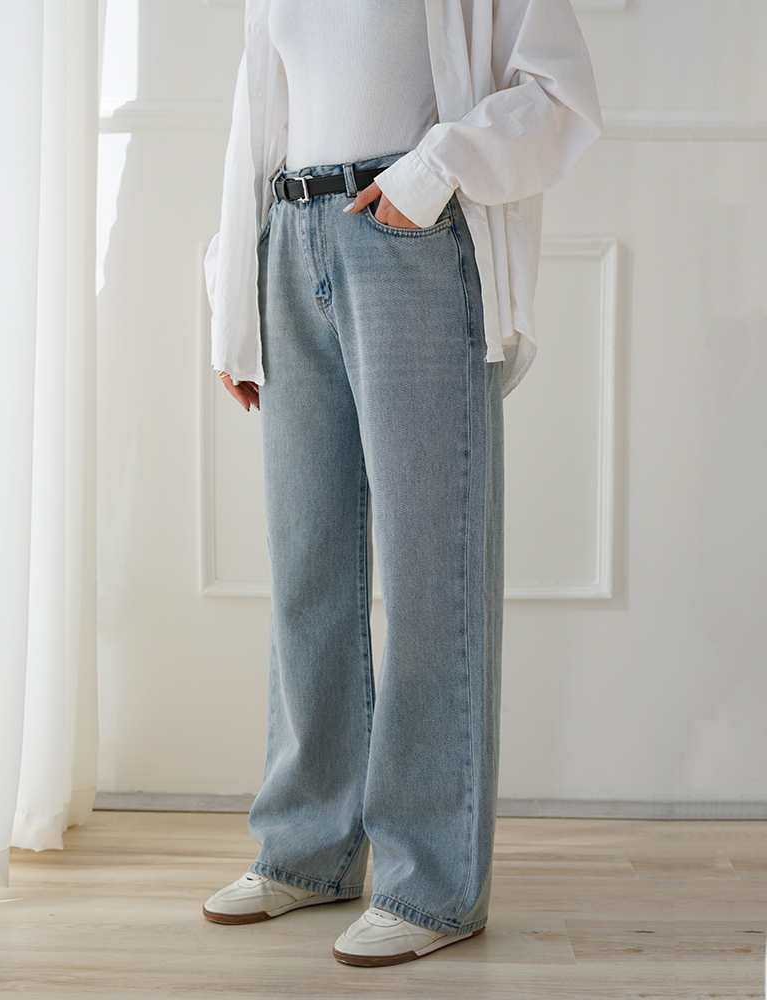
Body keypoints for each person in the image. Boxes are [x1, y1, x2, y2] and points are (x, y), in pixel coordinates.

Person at [202, 0, 601, 968]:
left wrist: (429, 174)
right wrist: (231, 301)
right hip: (289, 241)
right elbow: (257, 110)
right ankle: (308, 849)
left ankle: (430, 885)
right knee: (308, 568)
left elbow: (561, 94)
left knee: (432, 576)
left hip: (410, 236)